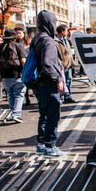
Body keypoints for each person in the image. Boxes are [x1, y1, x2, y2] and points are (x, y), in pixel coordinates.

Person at [31, 10, 66, 156]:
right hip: (48, 84)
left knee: (43, 115)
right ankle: (50, 146)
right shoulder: (48, 40)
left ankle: (41, 144)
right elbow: (47, 63)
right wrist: (57, 79)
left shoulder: (36, 38)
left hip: (37, 83)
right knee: (53, 116)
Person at [0, 29, 27, 123]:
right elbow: (23, 61)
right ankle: (16, 114)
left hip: (5, 76)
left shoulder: (0, 47)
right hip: (17, 74)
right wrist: (26, 73)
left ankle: (13, 113)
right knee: (19, 95)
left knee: (11, 95)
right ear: (14, 37)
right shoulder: (18, 46)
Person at [55, 24, 76, 103]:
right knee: (61, 82)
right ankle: (60, 98)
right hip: (61, 66)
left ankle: (68, 96)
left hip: (68, 64)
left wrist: (72, 62)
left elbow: (69, 52)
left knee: (68, 81)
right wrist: (59, 63)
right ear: (62, 31)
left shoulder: (66, 40)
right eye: (66, 31)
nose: (67, 32)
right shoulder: (55, 41)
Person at [15, 27, 32, 105]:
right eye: (17, 33)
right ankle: (26, 98)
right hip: (19, 64)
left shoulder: (29, 43)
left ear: (24, 34)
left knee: (28, 80)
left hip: (28, 63)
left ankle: (29, 93)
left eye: (19, 33)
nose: (18, 35)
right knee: (22, 81)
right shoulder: (15, 43)